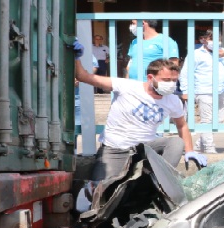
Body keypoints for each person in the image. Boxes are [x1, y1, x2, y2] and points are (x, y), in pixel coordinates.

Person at [74, 57, 206, 184]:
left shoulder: (173, 100)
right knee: (100, 190)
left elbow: (182, 125)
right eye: (166, 80)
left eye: (174, 80)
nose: (170, 84)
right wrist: (76, 56)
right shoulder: (126, 86)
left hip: (145, 149)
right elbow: (83, 76)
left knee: (176, 143)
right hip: (116, 149)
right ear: (150, 77)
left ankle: (159, 182)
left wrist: (190, 151)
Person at [180, 30, 224, 154]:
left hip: (221, 91)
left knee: (219, 120)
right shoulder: (196, 54)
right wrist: (185, 91)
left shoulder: (222, 53)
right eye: (211, 38)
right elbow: (185, 73)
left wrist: (223, 56)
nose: (215, 41)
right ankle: (209, 147)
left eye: (218, 38)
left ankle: (200, 143)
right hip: (205, 91)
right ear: (203, 39)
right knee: (207, 120)